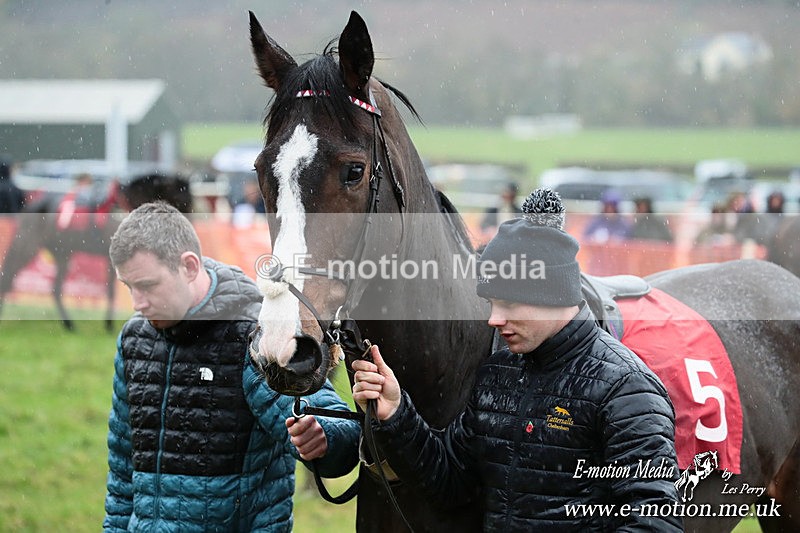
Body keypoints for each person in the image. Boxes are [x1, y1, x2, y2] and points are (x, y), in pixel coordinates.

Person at [352, 189, 682, 531]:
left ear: (551, 295)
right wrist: (395, 412)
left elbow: (656, 521)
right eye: (491, 304)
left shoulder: (627, 389)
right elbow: (448, 482)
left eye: (507, 304)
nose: (493, 319)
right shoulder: (498, 375)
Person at [103, 202, 360, 532]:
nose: (137, 302)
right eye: (129, 287)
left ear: (190, 266)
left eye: (148, 286)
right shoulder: (133, 338)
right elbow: (123, 472)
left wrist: (323, 438)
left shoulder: (252, 336)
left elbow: (337, 427)